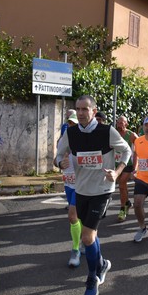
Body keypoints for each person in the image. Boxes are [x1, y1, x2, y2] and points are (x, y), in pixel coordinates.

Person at [55, 95, 130, 295]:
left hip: (102, 189)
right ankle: (102, 264)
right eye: (78, 109)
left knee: (87, 236)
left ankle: (92, 277)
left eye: (84, 109)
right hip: (81, 190)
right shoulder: (71, 133)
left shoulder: (107, 132)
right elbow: (58, 154)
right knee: (91, 235)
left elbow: (127, 150)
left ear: (94, 111)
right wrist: (59, 162)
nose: (80, 113)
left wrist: (117, 172)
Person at [59, 114, 83, 267]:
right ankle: (85, 241)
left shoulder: (84, 142)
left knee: (72, 216)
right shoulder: (62, 141)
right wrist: (60, 163)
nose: (71, 126)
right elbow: (56, 159)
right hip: (68, 183)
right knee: (78, 218)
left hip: (82, 184)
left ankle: (75, 249)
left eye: (74, 124)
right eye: (69, 123)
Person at [115, 115, 137, 222]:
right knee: (122, 186)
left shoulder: (131, 135)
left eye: (122, 122)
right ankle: (127, 203)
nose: (120, 124)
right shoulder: (114, 133)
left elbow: (139, 148)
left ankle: (122, 210)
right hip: (116, 163)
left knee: (122, 184)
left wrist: (135, 165)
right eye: (118, 122)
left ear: (126, 123)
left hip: (127, 163)